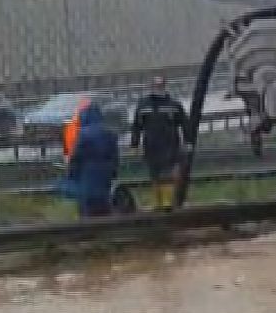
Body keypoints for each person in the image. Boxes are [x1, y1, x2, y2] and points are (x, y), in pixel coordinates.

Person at [130, 78, 190, 210]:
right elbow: (136, 126)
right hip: (151, 145)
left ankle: (175, 202)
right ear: (151, 86)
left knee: (175, 173)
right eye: (155, 85)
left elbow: (185, 124)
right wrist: (134, 144)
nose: (158, 88)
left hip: (171, 143)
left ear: (165, 86)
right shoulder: (143, 105)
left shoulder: (174, 104)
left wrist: (188, 141)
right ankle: (158, 203)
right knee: (155, 175)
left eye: (160, 85)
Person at [65, 102, 120, 217]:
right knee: (104, 199)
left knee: (87, 202)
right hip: (105, 170)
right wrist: (114, 171)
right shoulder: (109, 132)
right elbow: (115, 155)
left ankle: (88, 226)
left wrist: (71, 173)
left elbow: (77, 156)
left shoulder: (83, 134)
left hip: (88, 170)